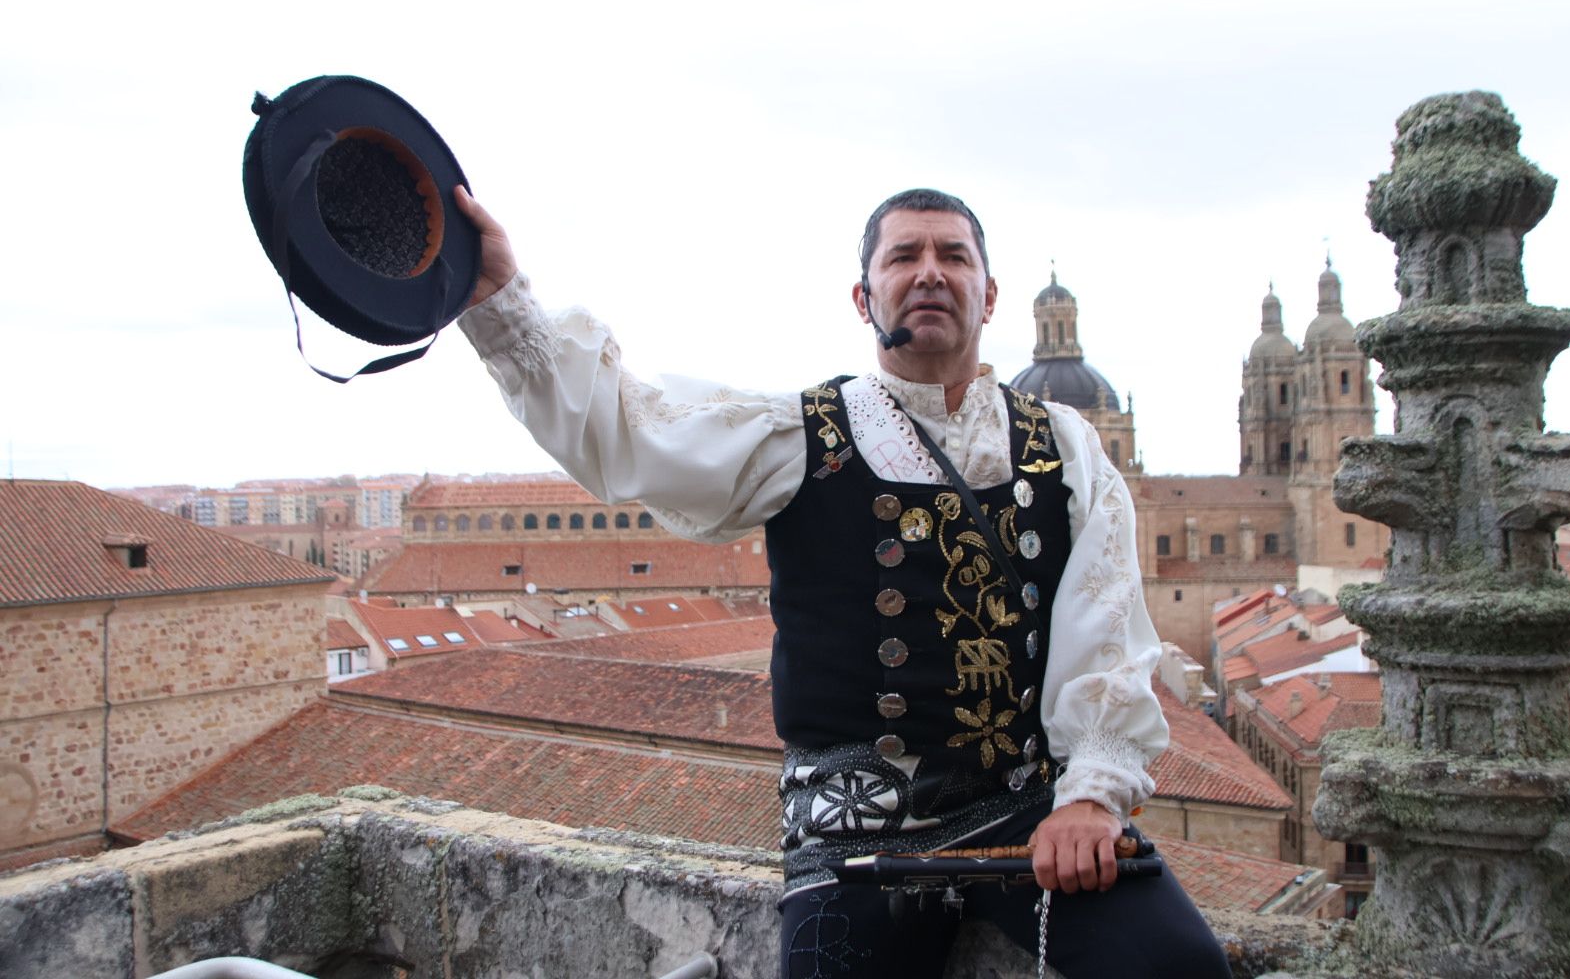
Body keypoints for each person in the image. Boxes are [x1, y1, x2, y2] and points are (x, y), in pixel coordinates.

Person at [451, 185, 1231, 978]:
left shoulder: (1065, 447)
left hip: (1028, 812)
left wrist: (1092, 797)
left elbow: (1107, 629)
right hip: (854, 830)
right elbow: (630, 431)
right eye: (904, 256)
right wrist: (500, 303)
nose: (930, 272)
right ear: (865, 297)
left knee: (1183, 968)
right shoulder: (801, 434)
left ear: (988, 295)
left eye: (953, 256)